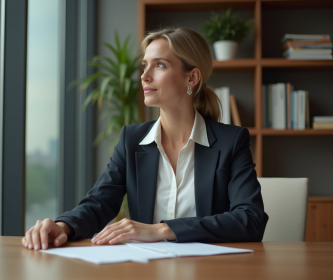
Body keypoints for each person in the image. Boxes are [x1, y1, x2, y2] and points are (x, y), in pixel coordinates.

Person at [22, 27, 269, 251]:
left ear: (191, 78)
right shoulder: (131, 140)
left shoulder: (231, 141)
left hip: (210, 271)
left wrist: (161, 230)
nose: (144, 76)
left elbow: (251, 219)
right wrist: (63, 226)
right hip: (146, 270)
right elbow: (99, 202)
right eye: (144, 65)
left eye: (159, 65)